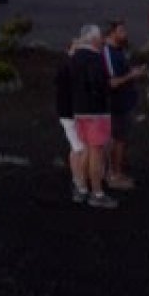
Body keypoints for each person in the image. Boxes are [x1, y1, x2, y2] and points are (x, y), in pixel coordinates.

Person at [70, 24, 118, 209]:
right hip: (96, 112)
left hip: (78, 110)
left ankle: (81, 188)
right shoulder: (95, 58)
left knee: (84, 150)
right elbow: (99, 84)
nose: (101, 40)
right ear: (93, 39)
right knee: (96, 152)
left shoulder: (74, 57)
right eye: (99, 37)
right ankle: (97, 193)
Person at [103, 19, 146, 191]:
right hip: (115, 104)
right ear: (112, 32)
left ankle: (116, 171)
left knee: (121, 140)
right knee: (116, 140)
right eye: (121, 30)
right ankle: (113, 174)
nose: (125, 34)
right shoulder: (108, 53)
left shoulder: (118, 50)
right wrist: (132, 75)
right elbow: (111, 83)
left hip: (125, 102)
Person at [55, 39, 87, 203]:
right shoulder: (68, 68)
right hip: (70, 114)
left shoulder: (71, 66)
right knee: (79, 148)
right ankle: (79, 183)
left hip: (72, 113)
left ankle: (80, 180)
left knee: (77, 147)